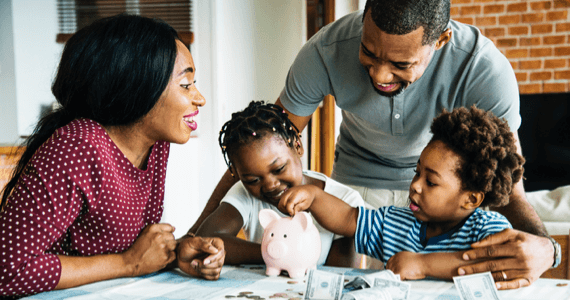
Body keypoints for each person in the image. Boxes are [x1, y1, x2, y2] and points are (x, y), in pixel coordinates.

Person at [190, 0, 559, 290]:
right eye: (369, 52)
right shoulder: (325, 50)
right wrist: (192, 239)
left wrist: (547, 248)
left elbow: (509, 190)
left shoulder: (484, 70)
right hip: (354, 186)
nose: (380, 75)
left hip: (442, 187)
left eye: (400, 63)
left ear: (441, 40)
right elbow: (262, 144)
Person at [0, 14, 225, 298]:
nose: (199, 98)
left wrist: (175, 253)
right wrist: (128, 264)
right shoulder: (77, 148)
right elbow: (7, 271)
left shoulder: (154, 146)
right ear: (139, 86)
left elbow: (127, 252)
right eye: (186, 85)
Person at [280, 106, 523, 285]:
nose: (415, 186)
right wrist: (314, 197)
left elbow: (489, 265)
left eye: (431, 182)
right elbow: (347, 219)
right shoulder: (396, 222)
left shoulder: (489, 230)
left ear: (470, 199)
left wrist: (422, 264)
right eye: (417, 173)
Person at [183, 101, 365, 269]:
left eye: (278, 168)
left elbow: (341, 275)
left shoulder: (346, 201)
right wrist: (272, 254)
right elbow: (205, 239)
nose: (270, 185)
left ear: (297, 145)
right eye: (253, 180)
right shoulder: (245, 193)